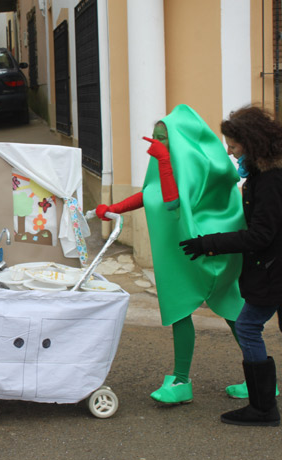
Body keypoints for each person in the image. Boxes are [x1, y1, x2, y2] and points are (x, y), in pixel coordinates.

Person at [96, 104, 246, 404]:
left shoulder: (196, 164)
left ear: (178, 139)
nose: (156, 142)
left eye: (163, 137)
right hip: (180, 250)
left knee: (232, 311)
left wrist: (164, 159)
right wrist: (114, 208)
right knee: (180, 309)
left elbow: (172, 202)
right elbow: (151, 194)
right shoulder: (166, 163)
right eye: (155, 136)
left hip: (206, 248)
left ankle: (258, 378)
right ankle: (180, 380)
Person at [179, 105, 282, 426]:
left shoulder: (269, 179)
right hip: (274, 268)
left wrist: (208, 244)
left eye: (233, 145)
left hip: (273, 270)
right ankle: (263, 405)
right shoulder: (264, 174)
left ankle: (263, 409)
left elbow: (260, 235)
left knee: (248, 327)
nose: (229, 151)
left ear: (251, 143)